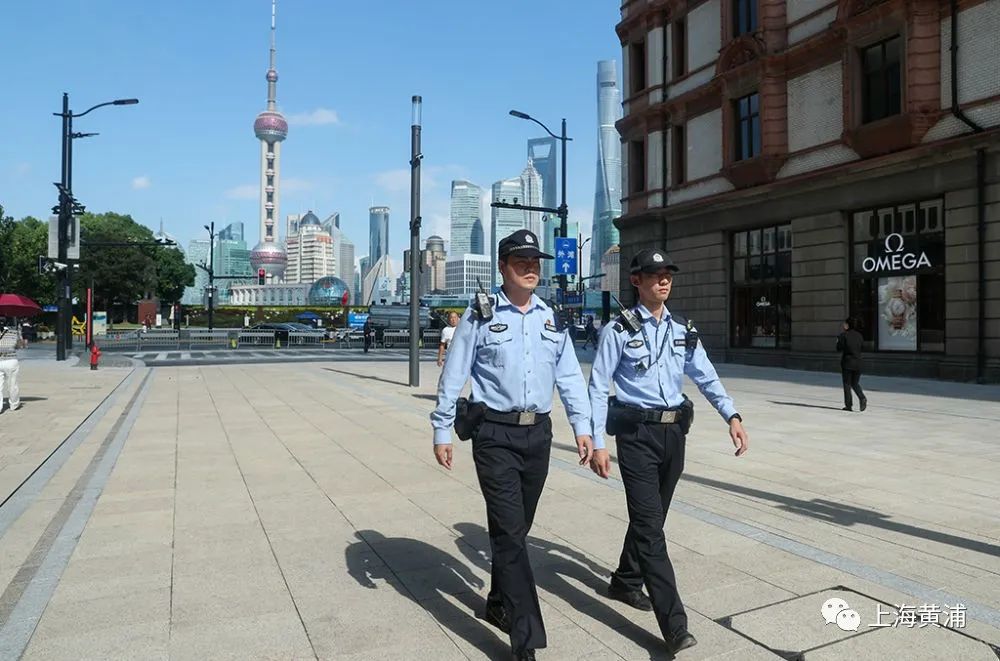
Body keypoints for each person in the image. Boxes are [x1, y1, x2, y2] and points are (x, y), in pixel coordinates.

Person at [431, 228, 593, 661]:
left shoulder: (551, 317)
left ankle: (499, 601)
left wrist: (583, 428)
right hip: (494, 435)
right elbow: (454, 374)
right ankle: (526, 638)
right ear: (502, 267)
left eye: (535, 261)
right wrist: (442, 428)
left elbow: (571, 377)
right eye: (521, 261)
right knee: (508, 531)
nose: (530, 268)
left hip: (538, 434)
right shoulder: (480, 314)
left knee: (517, 530)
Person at [588, 248, 749, 657]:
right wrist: (597, 443)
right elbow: (597, 385)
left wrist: (731, 414)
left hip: (674, 435)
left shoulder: (683, 331)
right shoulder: (618, 331)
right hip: (637, 435)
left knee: (651, 517)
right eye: (654, 274)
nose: (663, 280)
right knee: (650, 528)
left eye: (667, 275)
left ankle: (625, 580)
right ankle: (674, 625)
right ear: (636, 281)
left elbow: (706, 374)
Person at [836, 317, 866, 411]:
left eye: (845, 323)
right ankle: (862, 398)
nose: (843, 325)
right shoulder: (859, 336)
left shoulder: (843, 335)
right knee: (855, 383)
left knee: (847, 384)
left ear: (848, 325)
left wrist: (838, 342)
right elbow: (862, 347)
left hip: (848, 363)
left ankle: (848, 405)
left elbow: (839, 348)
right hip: (858, 362)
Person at [0, 319, 23, 413]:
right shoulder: (14, 332)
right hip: (11, 360)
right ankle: (14, 404)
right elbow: (19, 346)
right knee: (12, 384)